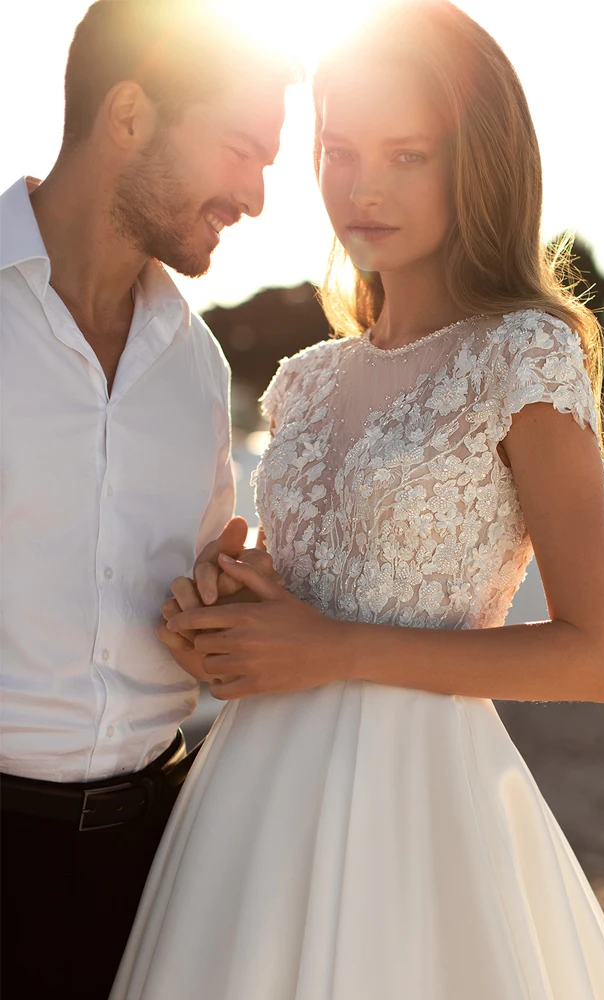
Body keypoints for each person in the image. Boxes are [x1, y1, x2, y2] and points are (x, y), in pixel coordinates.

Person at [113, 3, 604, 997]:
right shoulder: (306, 380)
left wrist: (331, 648)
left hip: (421, 803)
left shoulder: (523, 353)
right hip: (251, 797)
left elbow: (594, 653)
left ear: (478, 161)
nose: (363, 185)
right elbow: (309, 593)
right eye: (340, 149)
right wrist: (229, 615)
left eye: (409, 154)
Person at [0, 2, 292, 997]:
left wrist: (218, 608)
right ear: (128, 115)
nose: (255, 195)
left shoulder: (198, 367)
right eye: (241, 149)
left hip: (155, 860)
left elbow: (196, 620)